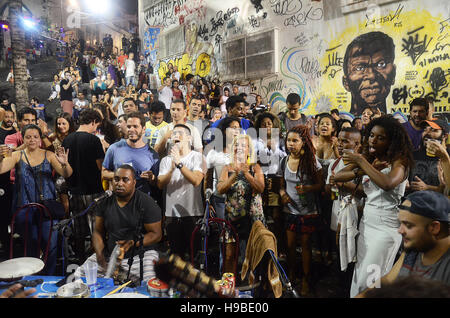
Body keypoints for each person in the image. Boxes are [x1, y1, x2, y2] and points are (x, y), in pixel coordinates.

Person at [334, 115, 414, 297]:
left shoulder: (399, 163)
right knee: (359, 274)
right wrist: (367, 164)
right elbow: (337, 176)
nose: (373, 140)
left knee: (371, 281)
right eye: (371, 135)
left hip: (385, 230)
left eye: (380, 137)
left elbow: (387, 183)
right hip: (366, 226)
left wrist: (362, 162)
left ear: (392, 141)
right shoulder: (372, 160)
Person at [0, 124, 72, 275]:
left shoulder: (49, 155)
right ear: (23, 139)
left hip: (47, 209)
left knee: (50, 245)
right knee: (30, 245)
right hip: (24, 209)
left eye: (35, 137)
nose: (32, 139)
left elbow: (67, 174)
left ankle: (49, 277)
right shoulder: (17, 156)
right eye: (28, 137)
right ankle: (32, 279)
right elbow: (1, 169)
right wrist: (1, 157)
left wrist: (65, 163)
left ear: (40, 138)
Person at [75, 164, 162, 283]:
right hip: (110, 255)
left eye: (125, 180)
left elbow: (156, 234)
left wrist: (133, 243)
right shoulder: (104, 201)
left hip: (140, 255)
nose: (119, 183)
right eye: (116, 179)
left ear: (134, 182)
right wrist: (100, 256)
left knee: (150, 284)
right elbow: (98, 232)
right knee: (79, 275)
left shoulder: (146, 203)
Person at [356, 191, 450, 297]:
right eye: (400, 223)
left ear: (434, 228)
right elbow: (387, 279)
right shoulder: (417, 247)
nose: (400, 230)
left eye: (408, 225)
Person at [279, 125, 324, 296]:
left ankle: (306, 278)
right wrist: (283, 194)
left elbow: (321, 185)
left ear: (303, 142)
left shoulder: (312, 162)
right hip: (290, 210)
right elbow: (281, 185)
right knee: (290, 245)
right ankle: (291, 274)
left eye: (295, 141)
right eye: (289, 140)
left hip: (308, 211)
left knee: (305, 245)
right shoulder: (284, 161)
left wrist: (308, 189)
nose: (291, 144)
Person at [218, 134, 266, 275]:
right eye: (237, 145)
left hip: (252, 218)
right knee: (229, 255)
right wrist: (234, 175)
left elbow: (260, 188)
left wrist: (247, 174)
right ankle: (229, 286)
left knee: (252, 255)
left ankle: (252, 287)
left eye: (243, 146)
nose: (239, 148)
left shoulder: (255, 167)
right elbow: (220, 189)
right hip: (232, 218)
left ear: (248, 150)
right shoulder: (227, 168)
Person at [62, 109, 105, 263]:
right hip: (94, 191)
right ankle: (97, 260)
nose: (96, 129)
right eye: (97, 125)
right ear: (93, 122)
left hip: (74, 191)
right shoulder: (94, 140)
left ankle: (81, 260)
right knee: (97, 229)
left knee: (79, 231)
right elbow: (101, 167)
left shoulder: (67, 139)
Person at [157, 124, 206, 260]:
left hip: (193, 214)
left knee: (193, 256)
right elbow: (160, 184)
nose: (175, 136)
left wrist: (179, 164)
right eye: (173, 134)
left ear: (189, 138)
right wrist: (172, 169)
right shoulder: (166, 160)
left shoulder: (198, 157)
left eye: (180, 133)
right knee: (175, 256)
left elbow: (196, 180)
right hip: (172, 215)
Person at [102, 112, 159, 201]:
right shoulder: (114, 148)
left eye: (135, 126)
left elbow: (156, 183)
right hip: (119, 202)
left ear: (144, 129)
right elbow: (104, 173)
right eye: (129, 126)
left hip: (142, 202)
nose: (131, 129)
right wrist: (122, 176)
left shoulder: (152, 154)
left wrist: (151, 178)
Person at [342, 31, 396, 116]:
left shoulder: (396, 124)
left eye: (381, 64)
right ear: (346, 83)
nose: (371, 75)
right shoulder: (345, 125)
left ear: (393, 73)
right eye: (359, 68)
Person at [205, 117, 241, 219]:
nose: (236, 131)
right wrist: (208, 202)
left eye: (238, 128)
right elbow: (207, 180)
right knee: (223, 230)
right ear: (225, 130)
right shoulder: (214, 153)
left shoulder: (244, 151)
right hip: (219, 199)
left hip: (240, 200)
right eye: (233, 128)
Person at [407, 119, 449, 195]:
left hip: (440, 203)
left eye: (434, 130)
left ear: (445, 136)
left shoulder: (448, 156)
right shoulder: (412, 154)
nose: (427, 133)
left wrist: (428, 188)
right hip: (415, 201)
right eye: (425, 129)